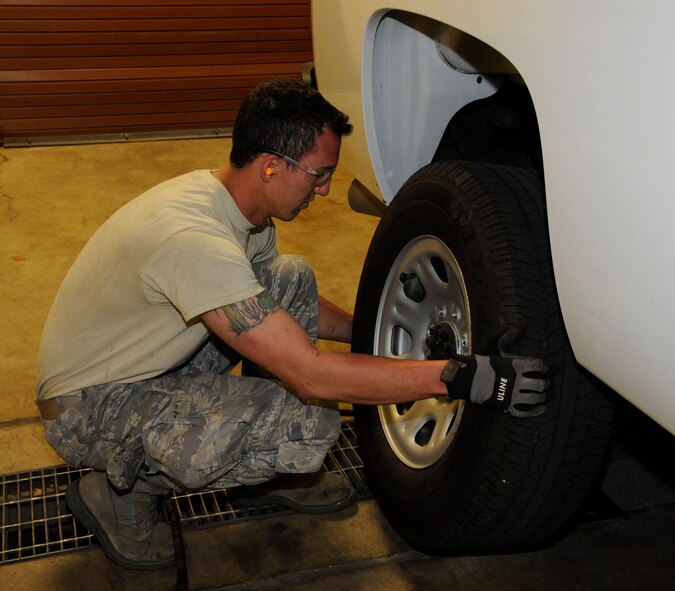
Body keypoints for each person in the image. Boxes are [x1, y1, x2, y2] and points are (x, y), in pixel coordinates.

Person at [35, 78, 547, 570]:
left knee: (290, 276)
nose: (324, 191)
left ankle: (263, 477)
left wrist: (374, 328)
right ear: (271, 167)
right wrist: (460, 377)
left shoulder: (240, 209)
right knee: (306, 427)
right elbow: (312, 376)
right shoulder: (192, 238)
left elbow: (263, 305)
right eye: (319, 174)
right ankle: (117, 490)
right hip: (89, 406)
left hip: (145, 359)